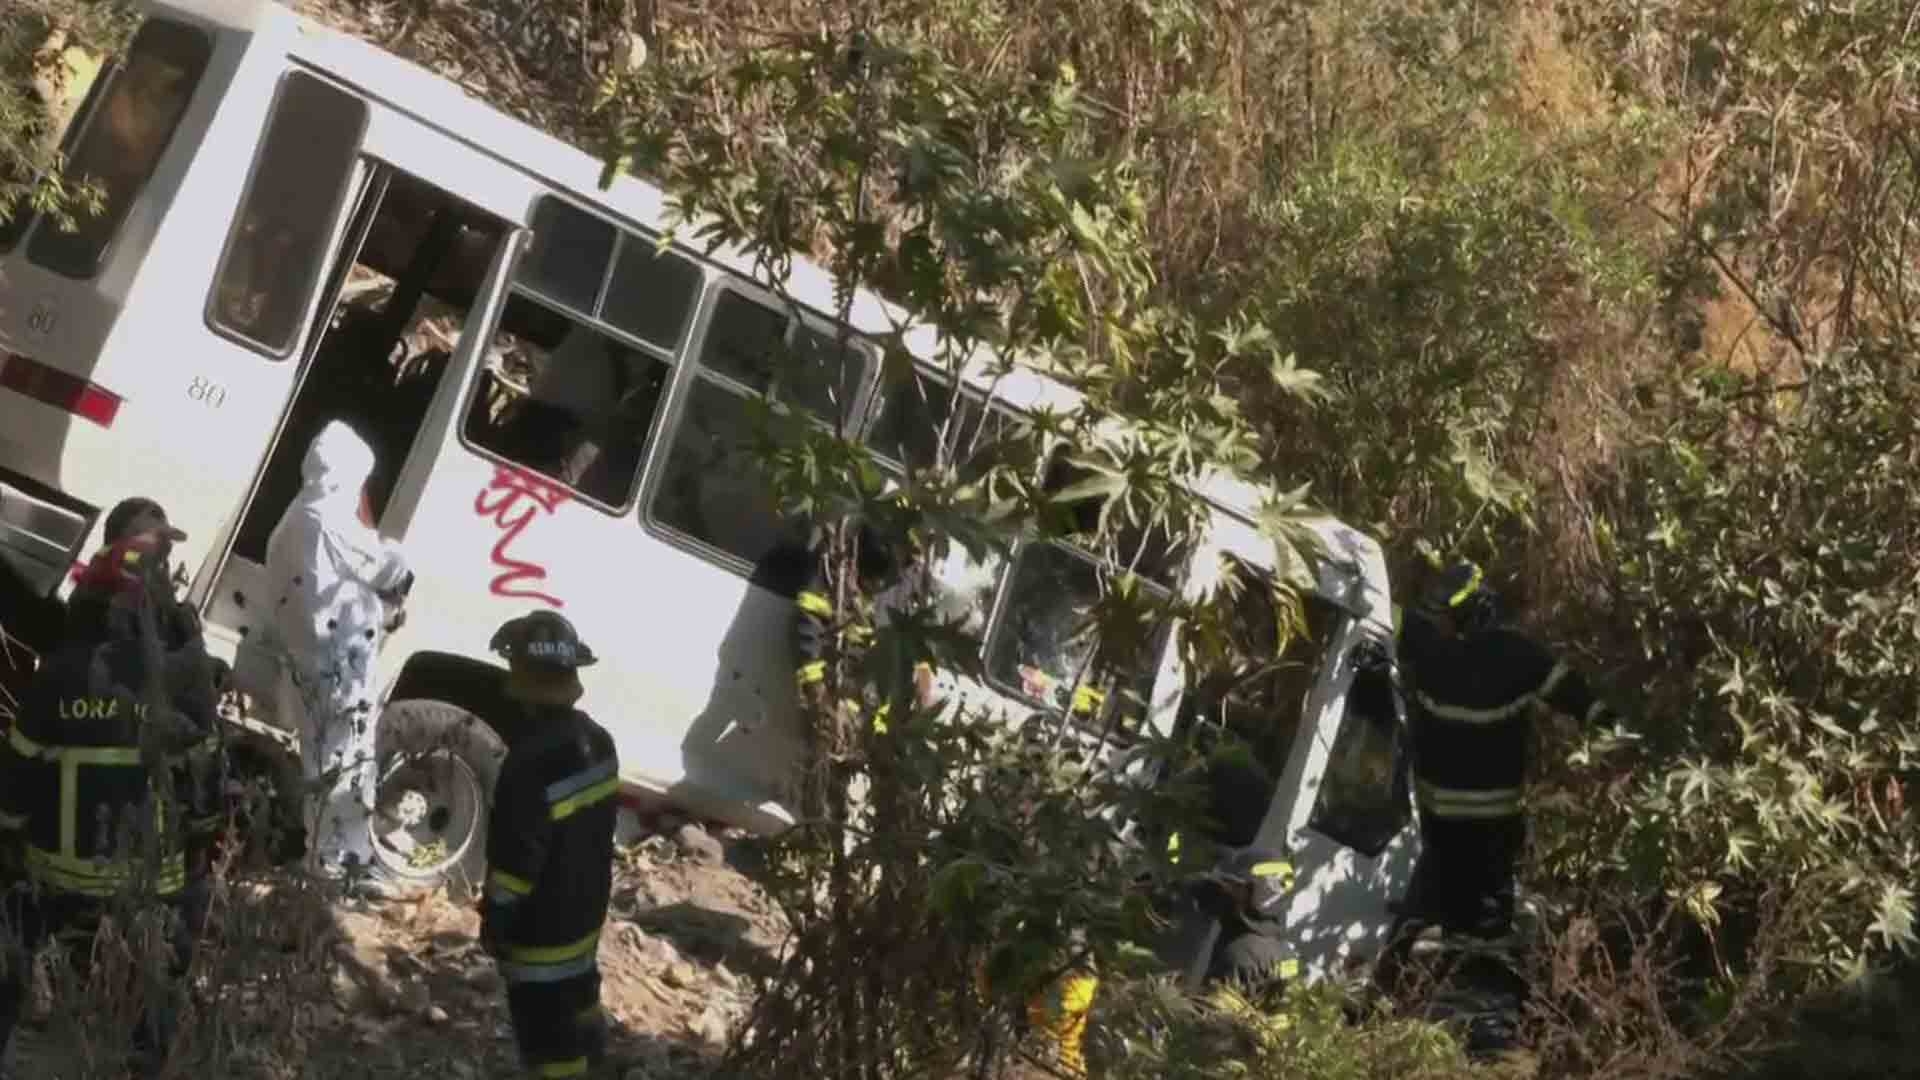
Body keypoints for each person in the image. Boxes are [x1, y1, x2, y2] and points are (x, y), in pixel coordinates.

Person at [0, 507, 214, 1077]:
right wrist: (201, 842)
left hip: (59, 871)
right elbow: (204, 768)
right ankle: (147, 1055)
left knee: (12, 926)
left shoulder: (73, 647)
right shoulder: (182, 644)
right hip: (150, 882)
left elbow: (17, 775)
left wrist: (10, 835)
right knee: (183, 924)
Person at [1395, 558, 1614, 942]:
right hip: (1495, 821)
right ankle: (1481, 979)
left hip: (1439, 818)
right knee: (1489, 919)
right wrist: (1621, 730)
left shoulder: (1429, 650)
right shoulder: (1519, 657)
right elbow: (1577, 697)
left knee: (1436, 907)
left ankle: (1415, 972)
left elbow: (1380, 610)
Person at [264, 421, 414, 888]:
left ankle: (338, 855)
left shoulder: (298, 515)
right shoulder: (330, 517)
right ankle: (338, 864)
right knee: (342, 761)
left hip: (317, 660)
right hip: (333, 664)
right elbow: (392, 572)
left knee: (330, 759)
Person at [479, 611, 619, 1080]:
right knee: (581, 998)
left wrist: (496, 920)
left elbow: (517, 861)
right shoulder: (599, 742)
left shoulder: (529, 764)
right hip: (585, 915)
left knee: (549, 1044)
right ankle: (599, 1059)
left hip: (540, 936)